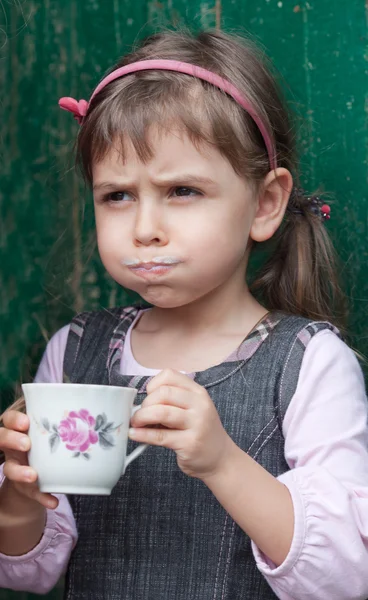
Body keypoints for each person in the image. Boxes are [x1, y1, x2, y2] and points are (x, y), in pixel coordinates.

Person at [0, 29, 367, 600]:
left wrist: (223, 462)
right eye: (117, 195)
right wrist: (19, 498)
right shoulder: (73, 352)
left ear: (265, 203)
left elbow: (349, 576)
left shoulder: (309, 363)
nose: (145, 228)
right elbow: (30, 570)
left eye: (183, 191)